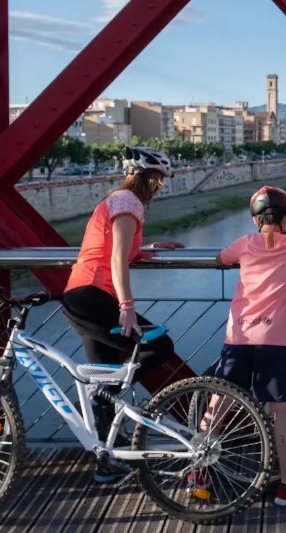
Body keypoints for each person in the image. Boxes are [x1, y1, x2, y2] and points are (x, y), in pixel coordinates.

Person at [62, 145, 181, 484]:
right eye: (159, 180)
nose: (161, 187)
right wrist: (127, 307)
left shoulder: (117, 200)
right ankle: (113, 402)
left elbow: (118, 249)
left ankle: (105, 461)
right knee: (159, 345)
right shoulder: (129, 202)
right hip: (95, 296)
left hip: (80, 295)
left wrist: (147, 250)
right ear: (149, 178)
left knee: (104, 378)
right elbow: (115, 260)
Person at [215, 186, 286, 506]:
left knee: (219, 402)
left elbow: (222, 259)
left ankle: (198, 467)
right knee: (281, 411)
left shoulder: (245, 243)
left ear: (255, 218)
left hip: (239, 336)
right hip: (273, 340)